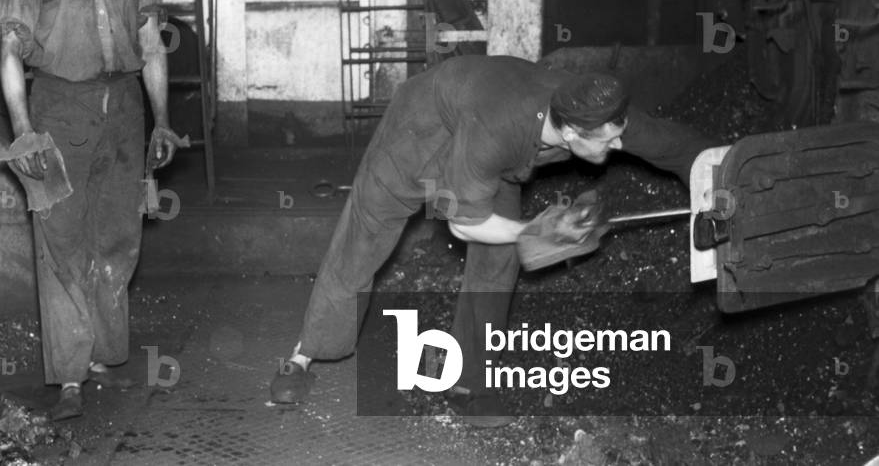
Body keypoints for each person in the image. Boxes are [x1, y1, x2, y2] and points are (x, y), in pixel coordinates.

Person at [269, 54, 714, 427]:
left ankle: (466, 383)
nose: (618, 146)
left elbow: (671, 145)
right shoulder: (501, 129)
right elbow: (464, 225)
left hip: (488, 139)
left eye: (619, 133)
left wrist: (728, 171)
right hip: (422, 131)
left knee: (500, 255)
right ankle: (305, 354)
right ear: (572, 135)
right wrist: (536, 230)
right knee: (366, 232)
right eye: (608, 141)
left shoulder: (595, 110)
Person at [0, 0, 183, 421]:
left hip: (124, 109)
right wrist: (24, 130)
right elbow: (10, 49)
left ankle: (102, 350)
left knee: (118, 236)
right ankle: (70, 374)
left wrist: (164, 121)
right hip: (58, 109)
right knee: (60, 240)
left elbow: (151, 46)